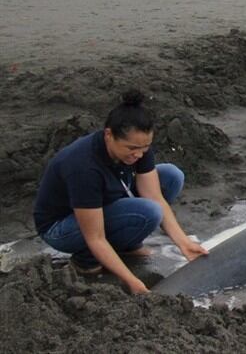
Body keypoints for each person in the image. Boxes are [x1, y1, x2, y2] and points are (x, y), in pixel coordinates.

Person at [33, 90, 207, 294]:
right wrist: (131, 281)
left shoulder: (139, 148)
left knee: (170, 176)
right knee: (148, 212)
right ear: (108, 135)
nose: (138, 154)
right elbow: (95, 237)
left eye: (145, 147)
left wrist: (185, 244)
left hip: (103, 201)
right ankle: (85, 260)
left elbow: (155, 196)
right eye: (131, 148)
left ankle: (125, 244)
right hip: (61, 227)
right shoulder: (83, 167)